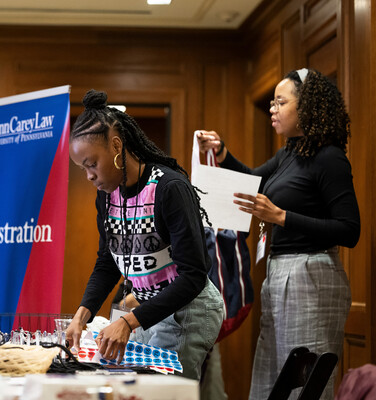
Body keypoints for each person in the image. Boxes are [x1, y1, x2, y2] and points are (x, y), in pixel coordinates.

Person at [197, 68, 360, 399]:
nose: (272, 108)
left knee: (304, 381)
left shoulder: (330, 158)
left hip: (312, 274)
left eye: (280, 102)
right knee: (274, 375)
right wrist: (222, 152)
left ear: (307, 107)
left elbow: (349, 229)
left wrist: (282, 216)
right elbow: (252, 182)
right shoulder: (290, 152)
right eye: (271, 102)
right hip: (279, 271)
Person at [65, 89, 224, 381]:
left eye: (91, 164)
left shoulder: (169, 188)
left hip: (190, 308)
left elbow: (193, 276)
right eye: (82, 168)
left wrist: (127, 322)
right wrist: (82, 314)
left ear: (116, 146)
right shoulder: (107, 197)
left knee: (160, 391)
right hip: (149, 310)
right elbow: (107, 263)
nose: (88, 175)